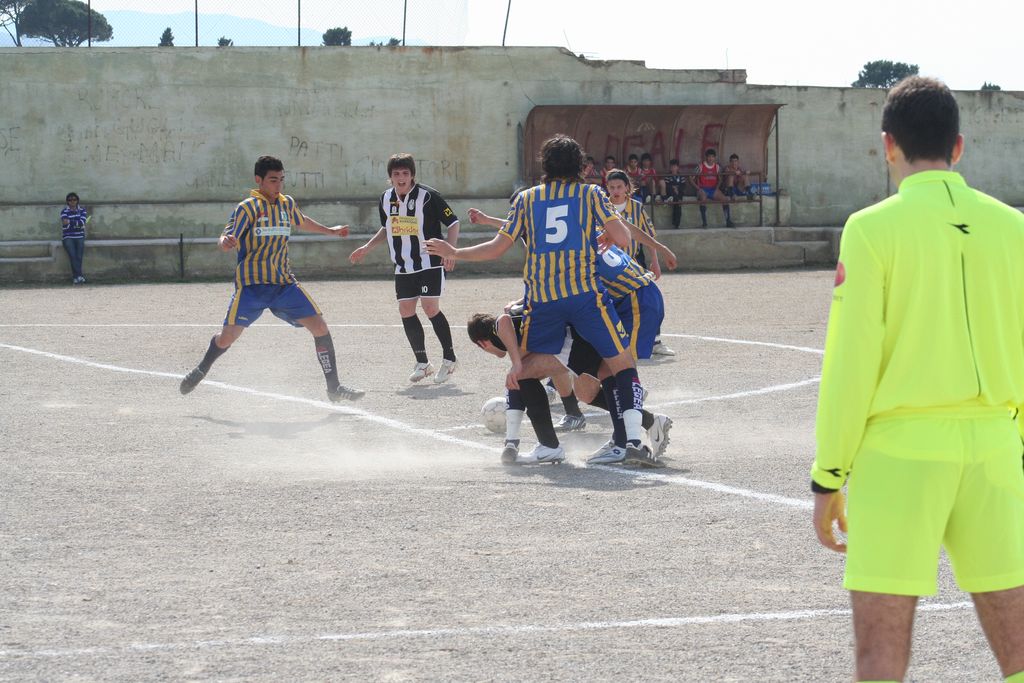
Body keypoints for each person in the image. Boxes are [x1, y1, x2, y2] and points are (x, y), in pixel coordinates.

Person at [811, 77, 1024, 682]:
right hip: (995, 448)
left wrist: (828, 475)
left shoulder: (870, 228)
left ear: (888, 145)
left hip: (899, 454)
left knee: (880, 659)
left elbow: (851, 361)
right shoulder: (1013, 227)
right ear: (959, 146)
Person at [427, 134, 659, 467]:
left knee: (523, 370)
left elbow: (497, 247)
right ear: (580, 165)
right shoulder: (591, 194)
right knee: (621, 364)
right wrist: (608, 233)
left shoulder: (526, 199)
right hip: (585, 295)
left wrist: (454, 252)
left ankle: (544, 445)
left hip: (543, 299)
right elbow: (622, 239)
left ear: (545, 165)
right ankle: (633, 442)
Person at [179, 155, 364, 402]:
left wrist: (330, 230)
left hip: (283, 284)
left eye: (281, 179)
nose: (279, 185)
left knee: (320, 327)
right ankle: (202, 368)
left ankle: (334, 388)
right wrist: (225, 242)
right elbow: (226, 237)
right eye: (273, 180)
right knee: (227, 337)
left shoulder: (287, 203)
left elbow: (302, 220)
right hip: (252, 287)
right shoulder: (247, 208)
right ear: (259, 180)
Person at [349, 153, 461, 384]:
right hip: (402, 265)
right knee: (406, 310)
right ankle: (422, 363)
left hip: (430, 261)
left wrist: (450, 251)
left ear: (412, 175)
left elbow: (453, 222)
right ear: (390, 177)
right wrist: (367, 247)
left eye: (405, 173)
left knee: (430, 307)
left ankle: (450, 359)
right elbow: (386, 227)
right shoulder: (386, 198)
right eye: (396, 174)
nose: (401, 178)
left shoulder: (428, 196)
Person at [605, 169, 676, 357]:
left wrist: (655, 261)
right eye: (612, 187)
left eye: (619, 186)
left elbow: (647, 235)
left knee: (650, 300)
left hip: (633, 264)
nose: (615, 191)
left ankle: (655, 341)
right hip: (609, 268)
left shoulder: (636, 207)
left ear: (627, 187)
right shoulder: (603, 206)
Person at [689, 148, 735, 228]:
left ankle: (728, 221)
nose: (710, 158)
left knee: (725, 199)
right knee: (703, 198)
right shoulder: (700, 166)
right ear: (706, 157)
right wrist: (698, 188)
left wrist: (717, 188)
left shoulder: (717, 167)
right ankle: (704, 223)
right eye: (709, 156)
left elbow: (720, 179)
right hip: (703, 189)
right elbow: (690, 178)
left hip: (713, 189)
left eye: (712, 157)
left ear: (714, 158)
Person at [60, 192, 87, 284]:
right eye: (70, 200)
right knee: (73, 256)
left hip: (80, 236)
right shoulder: (64, 211)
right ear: (67, 201)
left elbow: (82, 222)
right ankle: (79, 276)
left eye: (74, 199)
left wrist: (70, 222)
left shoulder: (82, 210)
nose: (72, 201)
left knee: (79, 256)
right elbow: (65, 222)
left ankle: (77, 277)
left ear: (77, 200)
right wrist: (77, 223)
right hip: (68, 237)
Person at [657, 159, 687, 229]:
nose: (673, 168)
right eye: (671, 167)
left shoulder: (681, 176)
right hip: (671, 193)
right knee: (676, 200)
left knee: (678, 204)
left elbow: (683, 186)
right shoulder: (668, 176)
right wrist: (673, 188)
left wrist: (678, 189)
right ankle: (675, 223)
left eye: (674, 166)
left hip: (679, 194)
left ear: (677, 167)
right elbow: (667, 186)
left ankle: (676, 224)